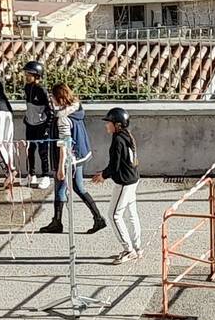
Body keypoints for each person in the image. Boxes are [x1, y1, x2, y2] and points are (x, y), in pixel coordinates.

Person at [44, 83, 106, 236]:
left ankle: (59, 222)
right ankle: (96, 218)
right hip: (79, 156)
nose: (51, 100)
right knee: (76, 188)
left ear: (59, 98)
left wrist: (60, 168)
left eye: (52, 97)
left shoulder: (63, 119)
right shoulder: (76, 110)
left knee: (63, 189)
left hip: (69, 160)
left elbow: (64, 144)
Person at [102, 106, 144, 263]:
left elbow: (115, 165)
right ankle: (137, 247)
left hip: (125, 183)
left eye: (109, 122)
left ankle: (128, 249)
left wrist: (103, 175)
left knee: (114, 215)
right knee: (132, 214)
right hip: (133, 179)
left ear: (117, 125)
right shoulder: (127, 136)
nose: (107, 125)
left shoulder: (118, 140)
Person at [19, 60, 56, 189]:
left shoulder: (42, 90)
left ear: (37, 76)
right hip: (30, 124)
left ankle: (46, 176)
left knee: (43, 151)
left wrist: (47, 127)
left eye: (29, 74)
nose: (26, 76)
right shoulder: (27, 88)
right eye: (26, 74)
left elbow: (51, 111)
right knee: (30, 149)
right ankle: (31, 174)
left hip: (41, 125)